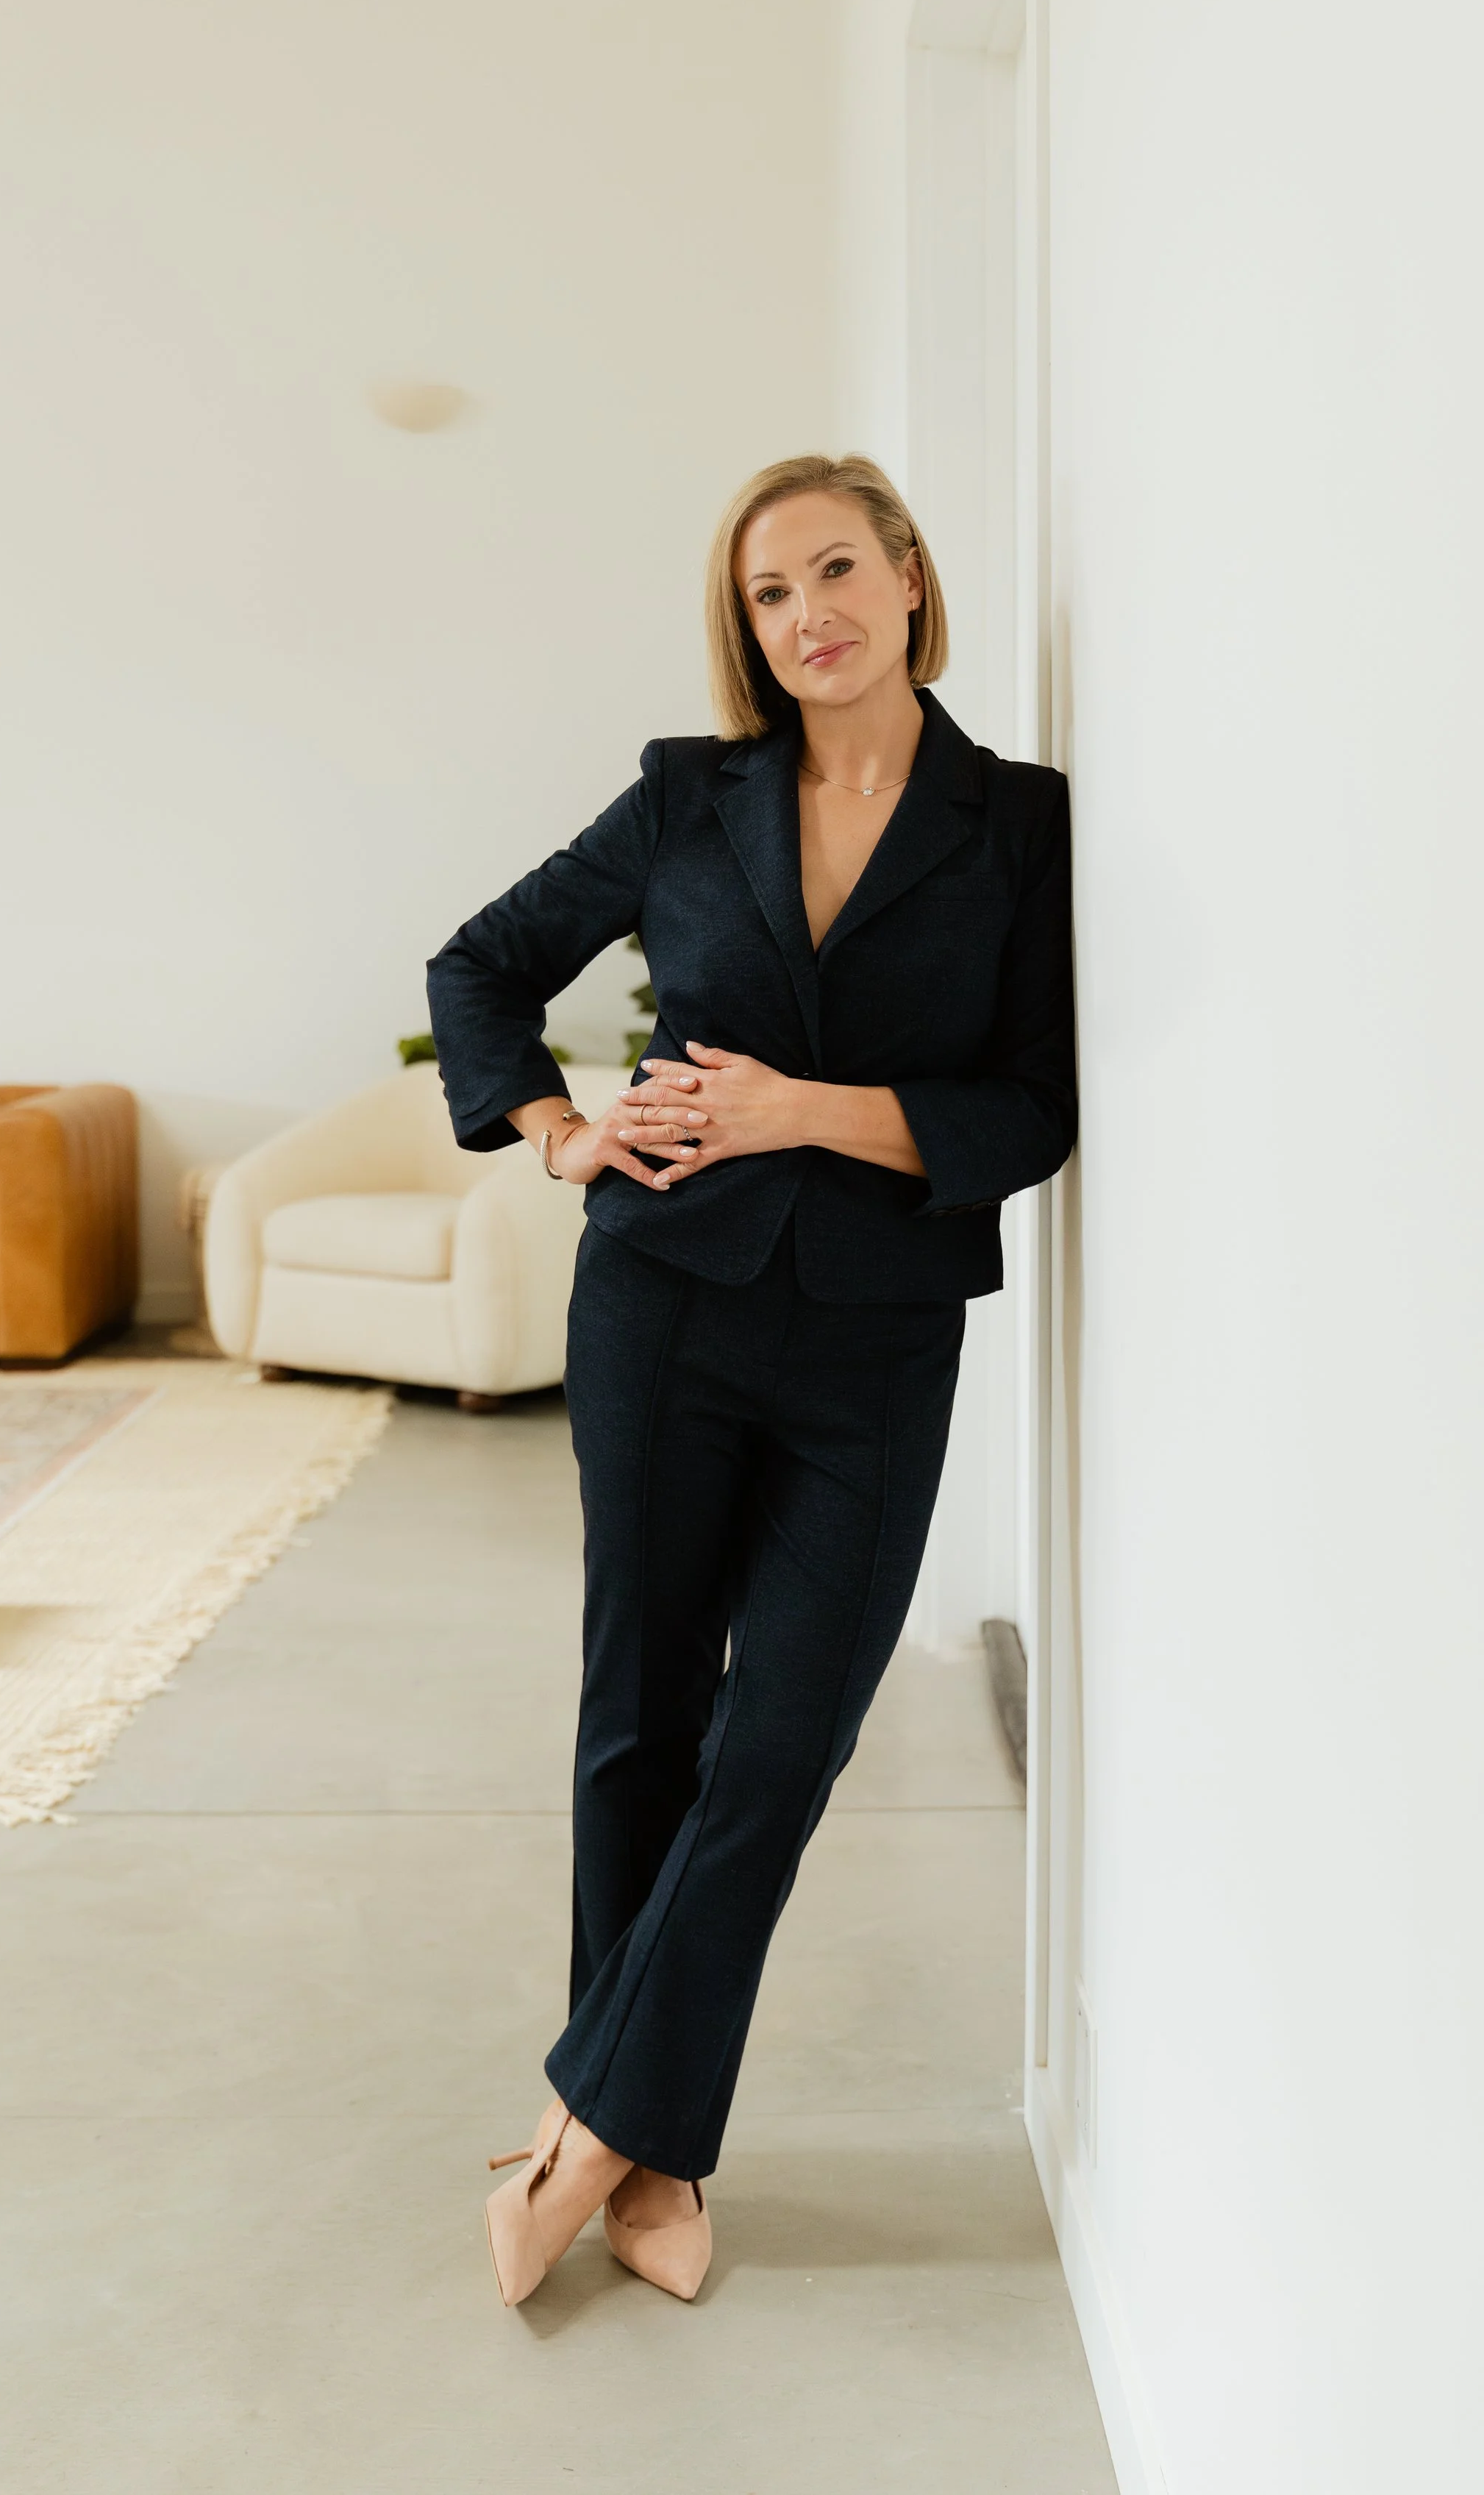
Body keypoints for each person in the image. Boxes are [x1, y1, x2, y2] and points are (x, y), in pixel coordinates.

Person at [426, 452, 1077, 2307]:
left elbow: (1028, 1107)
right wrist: (557, 1135)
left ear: (908, 580)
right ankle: (654, 2155)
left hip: (877, 1340)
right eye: (771, 594)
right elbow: (480, 968)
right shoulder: (684, 799)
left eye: (835, 570)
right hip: (665, 1308)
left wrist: (802, 1113)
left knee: (778, 1742)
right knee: (640, 1707)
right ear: (751, 633)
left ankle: (581, 2136)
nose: (810, 613)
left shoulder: (1016, 824)